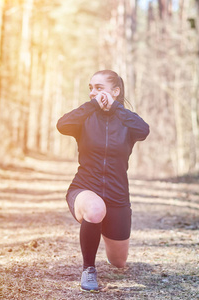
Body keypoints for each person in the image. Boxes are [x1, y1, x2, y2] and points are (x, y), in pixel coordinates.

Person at [56, 70, 149, 292]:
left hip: (117, 196)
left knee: (119, 263)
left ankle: (105, 228)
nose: (93, 93)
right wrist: (93, 106)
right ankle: (89, 269)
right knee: (95, 208)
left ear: (115, 91)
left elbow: (144, 130)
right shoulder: (86, 116)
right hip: (85, 188)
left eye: (99, 88)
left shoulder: (126, 120)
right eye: (91, 88)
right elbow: (62, 125)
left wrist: (115, 107)